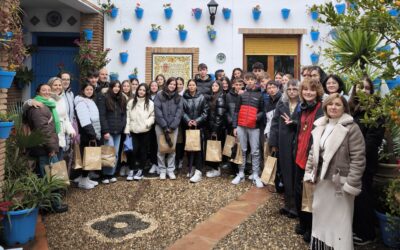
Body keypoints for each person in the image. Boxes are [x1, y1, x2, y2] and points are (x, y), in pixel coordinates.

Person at [304, 93, 366, 249]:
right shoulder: (321, 125)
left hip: (340, 184)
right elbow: (313, 153)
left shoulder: (352, 128)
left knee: (340, 222)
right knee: (321, 219)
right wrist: (309, 173)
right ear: (325, 106)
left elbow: (358, 159)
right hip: (320, 182)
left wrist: (351, 184)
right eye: (331, 104)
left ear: (344, 107)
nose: (333, 107)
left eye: (338, 104)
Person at [349, 77, 384, 245]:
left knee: (363, 196)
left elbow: (372, 140)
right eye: (360, 88)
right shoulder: (353, 109)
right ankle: (358, 229)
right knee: (356, 196)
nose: (364, 91)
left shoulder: (375, 111)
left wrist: (356, 156)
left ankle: (366, 234)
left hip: (365, 161)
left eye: (367, 88)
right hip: (353, 161)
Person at [290, 78, 324, 242]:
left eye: (312, 90)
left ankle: (312, 228)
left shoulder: (321, 109)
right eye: (305, 90)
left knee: (310, 194)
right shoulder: (302, 108)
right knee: (299, 193)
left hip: (312, 159)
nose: (308, 92)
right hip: (299, 156)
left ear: (317, 92)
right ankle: (303, 222)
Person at [24, 84, 68, 213]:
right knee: (50, 177)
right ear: (38, 91)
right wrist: (51, 149)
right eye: (44, 90)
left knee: (49, 175)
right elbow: (43, 131)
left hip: (45, 146)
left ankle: (50, 205)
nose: (47, 92)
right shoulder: (38, 107)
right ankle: (52, 206)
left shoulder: (47, 104)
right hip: (44, 148)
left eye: (49, 90)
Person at [269, 79, 300, 218]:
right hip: (283, 142)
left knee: (296, 175)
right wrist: (273, 142)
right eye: (289, 89)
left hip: (298, 143)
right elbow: (274, 123)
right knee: (286, 173)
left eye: (295, 89)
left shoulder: (303, 104)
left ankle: (296, 206)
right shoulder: (282, 103)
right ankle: (288, 204)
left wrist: (294, 122)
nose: (292, 92)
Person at [232, 72, 265, 188]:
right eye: (248, 79)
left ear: (255, 81)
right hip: (241, 126)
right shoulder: (241, 95)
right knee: (242, 150)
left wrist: (257, 117)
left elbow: (263, 111)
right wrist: (235, 126)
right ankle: (240, 173)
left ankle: (256, 174)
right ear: (245, 81)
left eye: (252, 79)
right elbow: (236, 111)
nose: (250, 81)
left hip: (254, 127)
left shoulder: (260, 95)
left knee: (255, 151)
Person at [154, 77, 184, 180]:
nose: (172, 86)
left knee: (172, 149)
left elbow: (179, 113)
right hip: (160, 126)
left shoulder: (179, 97)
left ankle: (170, 169)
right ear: (167, 84)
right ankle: (162, 169)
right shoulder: (159, 95)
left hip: (173, 127)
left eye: (174, 85)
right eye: (171, 84)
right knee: (161, 148)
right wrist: (164, 126)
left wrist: (172, 126)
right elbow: (157, 111)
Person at [98, 80, 127, 184]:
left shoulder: (122, 98)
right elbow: (102, 116)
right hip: (108, 131)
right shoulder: (105, 98)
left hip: (118, 131)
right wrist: (105, 131)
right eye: (115, 86)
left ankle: (112, 174)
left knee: (115, 153)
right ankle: (105, 175)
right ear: (111, 87)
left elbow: (124, 115)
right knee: (108, 153)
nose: (117, 88)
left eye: (118, 87)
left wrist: (122, 126)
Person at [125, 83, 155, 181]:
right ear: (137, 90)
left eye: (143, 90)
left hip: (145, 131)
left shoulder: (150, 103)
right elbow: (128, 117)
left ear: (146, 92)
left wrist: (147, 123)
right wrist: (127, 129)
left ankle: (140, 170)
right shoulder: (131, 102)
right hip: (133, 131)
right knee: (132, 151)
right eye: (140, 89)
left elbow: (153, 116)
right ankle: (132, 169)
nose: (141, 92)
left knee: (143, 152)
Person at [74, 83, 102, 189]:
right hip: (87, 133)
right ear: (83, 90)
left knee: (88, 156)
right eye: (87, 89)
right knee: (87, 157)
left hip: (91, 132)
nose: (89, 91)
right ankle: (83, 182)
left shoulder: (89, 101)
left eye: (91, 89)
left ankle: (85, 178)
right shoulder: (81, 102)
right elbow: (85, 120)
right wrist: (92, 135)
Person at [182, 79, 209, 182]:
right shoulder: (184, 98)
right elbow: (182, 111)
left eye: (193, 85)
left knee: (198, 149)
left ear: (196, 86)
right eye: (190, 85)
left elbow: (205, 112)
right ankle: (191, 167)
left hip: (199, 127)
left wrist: (197, 121)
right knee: (189, 148)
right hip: (188, 127)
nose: (191, 86)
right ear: (187, 86)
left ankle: (198, 171)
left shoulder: (201, 97)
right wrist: (188, 120)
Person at [47, 77, 76, 160]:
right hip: (51, 135)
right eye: (55, 85)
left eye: (59, 85)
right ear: (50, 86)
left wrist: (71, 130)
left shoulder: (61, 99)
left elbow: (65, 118)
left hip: (61, 134)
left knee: (59, 163)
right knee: (52, 164)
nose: (58, 87)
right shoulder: (47, 99)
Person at [205, 81, 226, 178]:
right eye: (212, 85)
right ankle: (214, 168)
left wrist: (215, 130)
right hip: (211, 126)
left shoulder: (220, 97)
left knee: (215, 148)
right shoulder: (213, 96)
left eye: (216, 85)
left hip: (216, 128)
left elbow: (220, 115)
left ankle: (216, 169)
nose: (214, 87)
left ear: (220, 87)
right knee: (212, 147)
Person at [225, 78, 244, 174]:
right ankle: (232, 169)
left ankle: (240, 168)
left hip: (242, 124)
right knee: (231, 146)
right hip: (231, 125)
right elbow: (226, 111)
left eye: (240, 85)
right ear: (233, 85)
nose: (239, 87)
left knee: (241, 146)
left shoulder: (245, 95)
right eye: (237, 84)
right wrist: (232, 122)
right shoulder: (228, 96)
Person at [148, 81, 160, 175]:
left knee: (158, 144)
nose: (154, 87)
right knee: (151, 145)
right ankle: (153, 163)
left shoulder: (160, 95)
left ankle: (158, 164)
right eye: (152, 85)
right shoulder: (146, 96)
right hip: (148, 124)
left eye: (155, 85)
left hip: (158, 123)